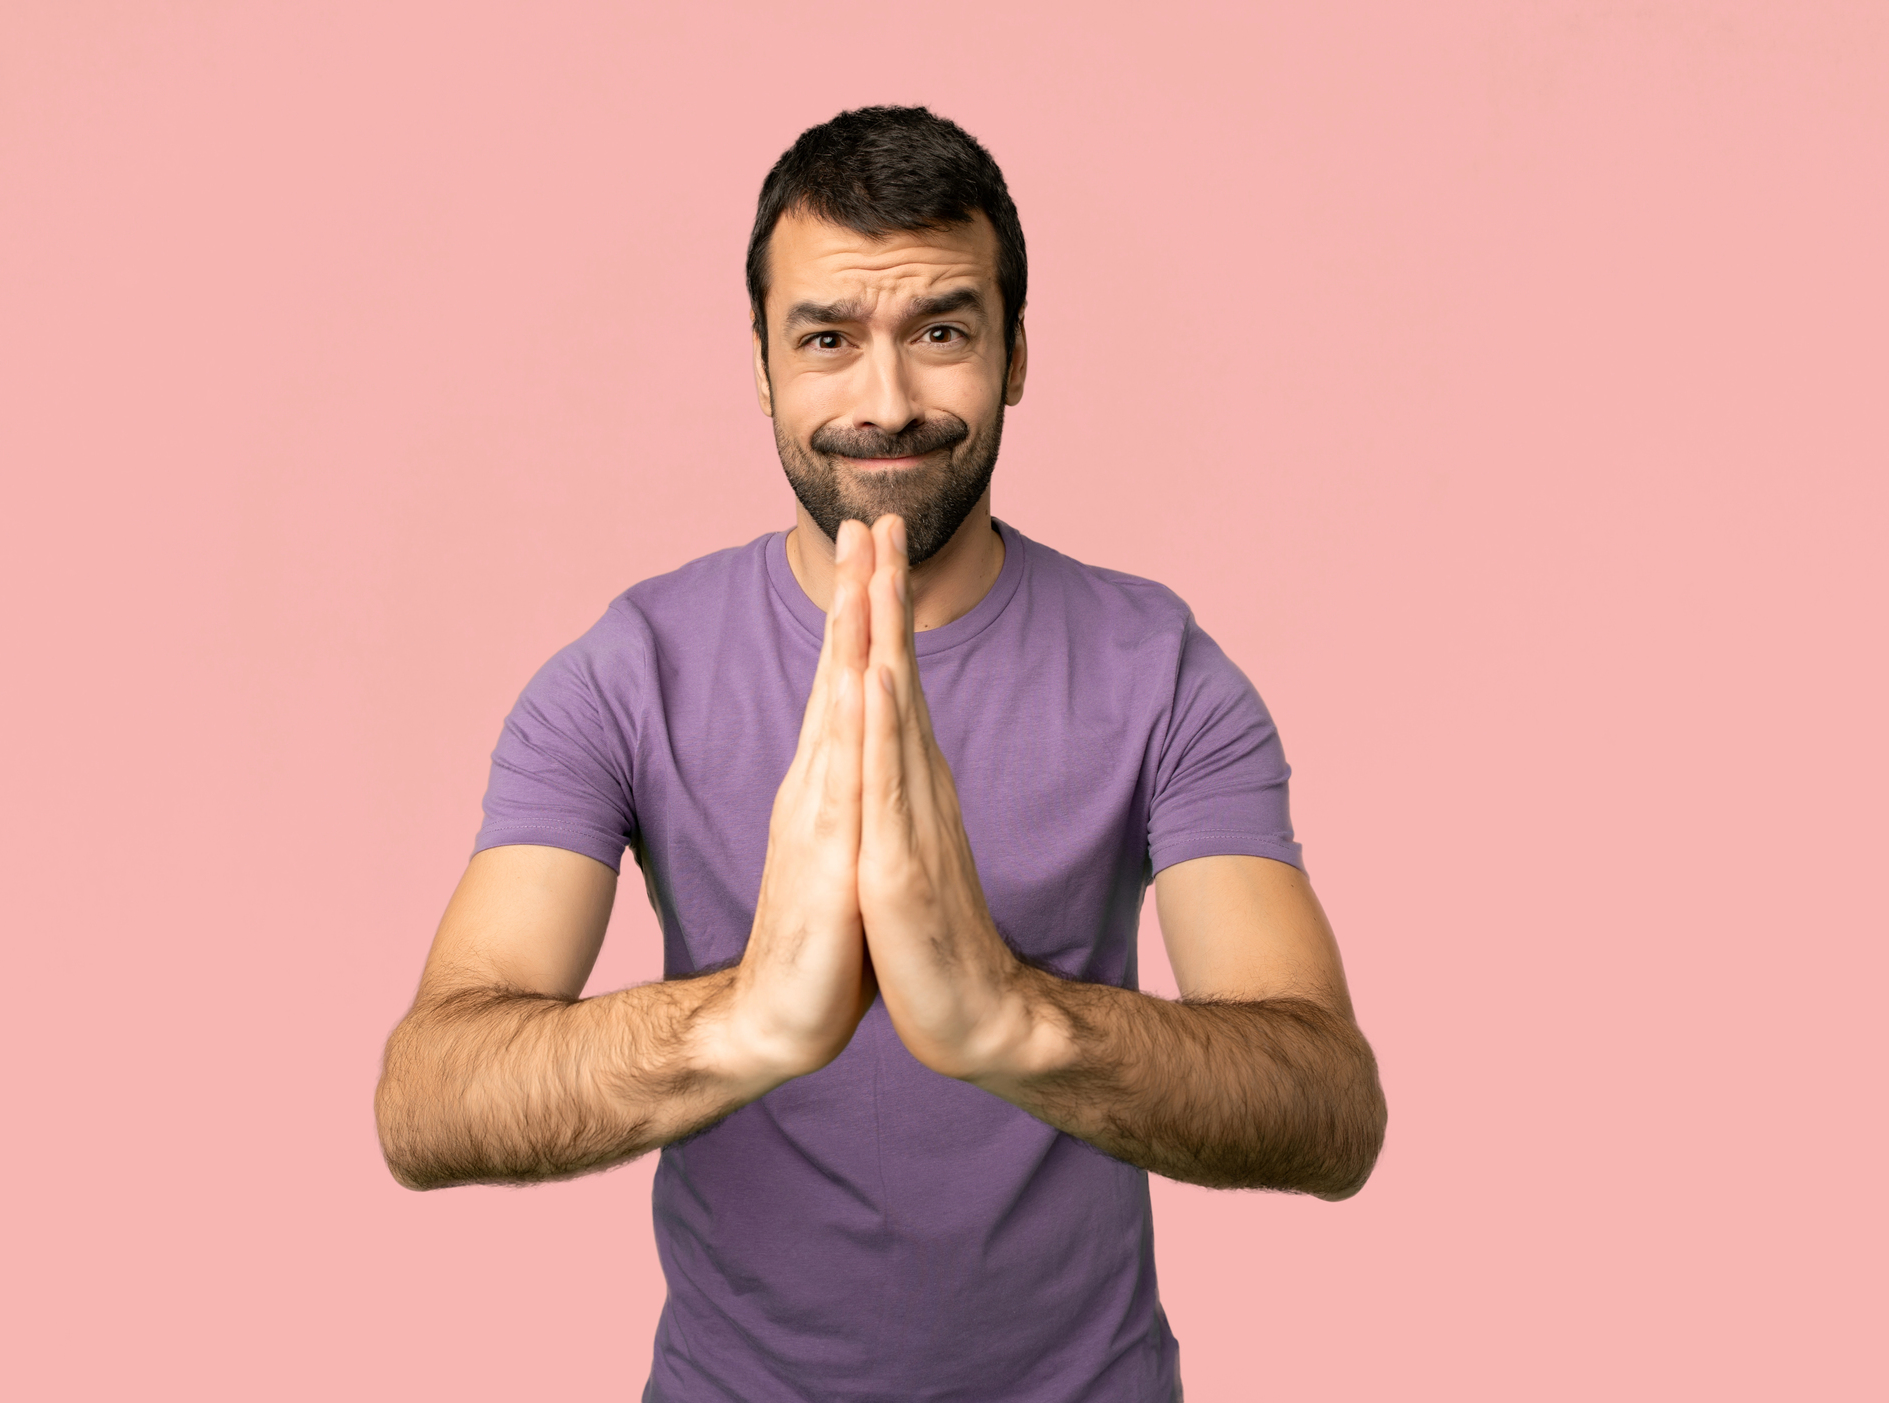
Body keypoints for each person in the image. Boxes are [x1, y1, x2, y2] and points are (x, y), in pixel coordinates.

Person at [374, 105, 1386, 1402]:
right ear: (763, 366)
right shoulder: (631, 670)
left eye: (944, 333)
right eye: (829, 341)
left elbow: (1325, 1106)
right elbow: (430, 1096)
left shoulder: (1160, 668)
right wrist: (746, 1023)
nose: (887, 402)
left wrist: (1004, 1018)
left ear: (1017, 353)